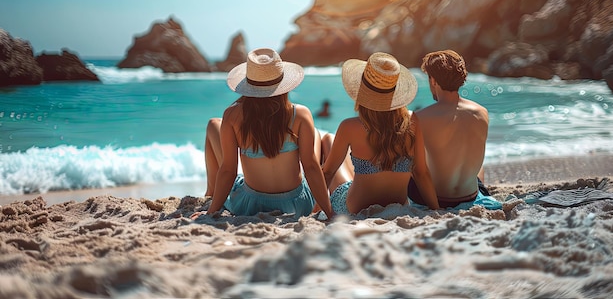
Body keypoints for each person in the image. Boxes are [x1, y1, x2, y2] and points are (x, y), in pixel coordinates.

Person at [199, 48, 334, 219]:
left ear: (248, 85)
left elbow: (228, 170)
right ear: (283, 84)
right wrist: (329, 212)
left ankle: (210, 193)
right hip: (298, 204)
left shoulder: (232, 116)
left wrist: (211, 212)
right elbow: (311, 167)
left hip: (251, 206)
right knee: (313, 133)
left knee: (213, 125)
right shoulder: (299, 114)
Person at [321, 52, 439, 215]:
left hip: (356, 209)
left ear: (362, 90)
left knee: (328, 140)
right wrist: (436, 209)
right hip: (399, 206)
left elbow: (327, 173)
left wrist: (317, 211)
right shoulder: (412, 121)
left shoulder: (349, 127)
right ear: (395, 92)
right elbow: (421, 172)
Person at [407, 50, 499, 209]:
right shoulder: (481, 112)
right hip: (471, 195)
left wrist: (435, 209)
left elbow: (419, 172)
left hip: (437, 198)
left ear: (433, 81)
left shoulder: (419, 118)